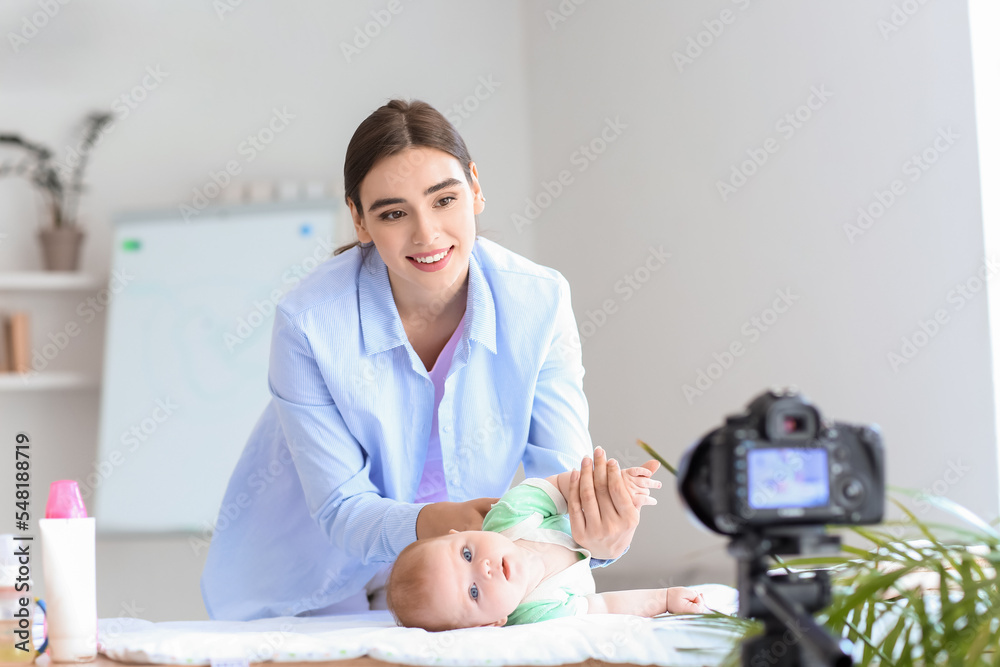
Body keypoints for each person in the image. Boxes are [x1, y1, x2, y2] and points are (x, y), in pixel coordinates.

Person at [200, 99, 658, 621]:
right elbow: (340, 509)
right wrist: (439, 521)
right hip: (310, 583)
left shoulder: (540, 303)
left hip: (461, 590)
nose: (427, 234)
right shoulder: (309, 323)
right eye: (394, 213)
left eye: (444, 200)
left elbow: (565, 482)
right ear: (359, 220)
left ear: (476, 188)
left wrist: (604, 533)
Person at [386, 458, 707, 630]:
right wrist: (664, 598)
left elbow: (565, 487)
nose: (483, 569)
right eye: (473, 592)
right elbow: (605, 607)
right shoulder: (537, 612)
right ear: (492, 622)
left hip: (591, 521)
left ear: (459, 533)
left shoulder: (509, 518)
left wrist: (613, 488)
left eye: (467, 554)